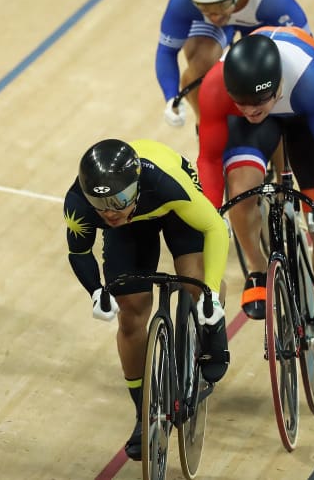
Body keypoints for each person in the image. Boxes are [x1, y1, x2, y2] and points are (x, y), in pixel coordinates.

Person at [196, 27, 314, 385]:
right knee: (241, 187)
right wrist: (210, 211)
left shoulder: (309, 82)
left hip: (300, 116)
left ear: (276, 86)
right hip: (263, 110)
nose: (250, 111)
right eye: (242, 104)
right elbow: (208, 158)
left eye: (257, 104)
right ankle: (256, 267)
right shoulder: (217, 88)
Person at [63, 138, 230, 461]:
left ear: (136, 186)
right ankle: (144, 412)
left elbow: (214, 229)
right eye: (103, 204)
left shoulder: (165, 183)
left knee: (194, 283)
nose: (112, 210)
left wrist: (210, 294)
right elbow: (79, 252)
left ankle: (212, 326)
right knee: (132, 311)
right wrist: (97, 291)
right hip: (132, 229)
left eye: (121, 198)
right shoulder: (81, 205)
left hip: (172, 209)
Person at [157, 0, 311, 127]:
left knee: (263, 69)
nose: (214, 17)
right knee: (201, 61)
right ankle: (206, 125)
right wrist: (170, 97)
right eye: (206, 9)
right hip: (235, 4)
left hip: (257, 16)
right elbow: (166, 51)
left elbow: (306, 51)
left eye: (221, 6)